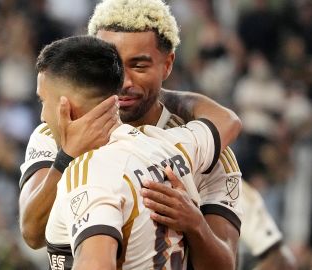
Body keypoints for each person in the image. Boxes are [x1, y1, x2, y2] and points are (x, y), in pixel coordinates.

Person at [19, 0, 295, 269]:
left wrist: (196, 225)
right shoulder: (51, 133)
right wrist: (66, 157)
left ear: (168, 64)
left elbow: (226, 265)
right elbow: (32, 233)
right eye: (111, 65)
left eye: (139, 66)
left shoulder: (212, 153)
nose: (123, 81)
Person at [37, 35, 242, 269]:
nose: (43, 115)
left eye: (43, 101)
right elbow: (227, 121)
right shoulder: (170, 143)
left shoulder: (89, 172)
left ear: (66, 106)